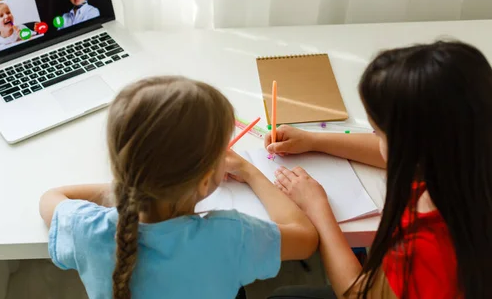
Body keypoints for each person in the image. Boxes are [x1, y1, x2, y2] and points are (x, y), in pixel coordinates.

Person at [39, 76, 319, 299]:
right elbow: (306, 238)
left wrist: (135, 184)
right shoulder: (230, 236)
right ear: (205, 180)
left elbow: (51, 197)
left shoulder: (86, 229)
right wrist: (250, 171)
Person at [267, 41, 492, 298]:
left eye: (378, 132)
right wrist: (315, 140)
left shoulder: (423, 251)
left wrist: (317, 208)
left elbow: (357, 293)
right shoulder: (468, 150)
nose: (375, 138)